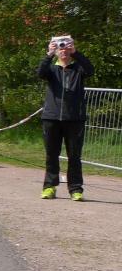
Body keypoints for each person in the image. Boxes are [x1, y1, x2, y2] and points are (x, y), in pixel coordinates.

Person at [37, 35, 94, 201]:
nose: (63, 50)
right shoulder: (51, 69)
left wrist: (75, 52)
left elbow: (90, 70)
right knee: (51, 155)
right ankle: (49, 187)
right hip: (51, 118)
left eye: (65, 46)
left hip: (74, 119)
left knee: (74, 156)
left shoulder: (78, 69)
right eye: (59, 47)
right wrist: (49, 54)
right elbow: (40, 73)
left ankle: (75, 189)